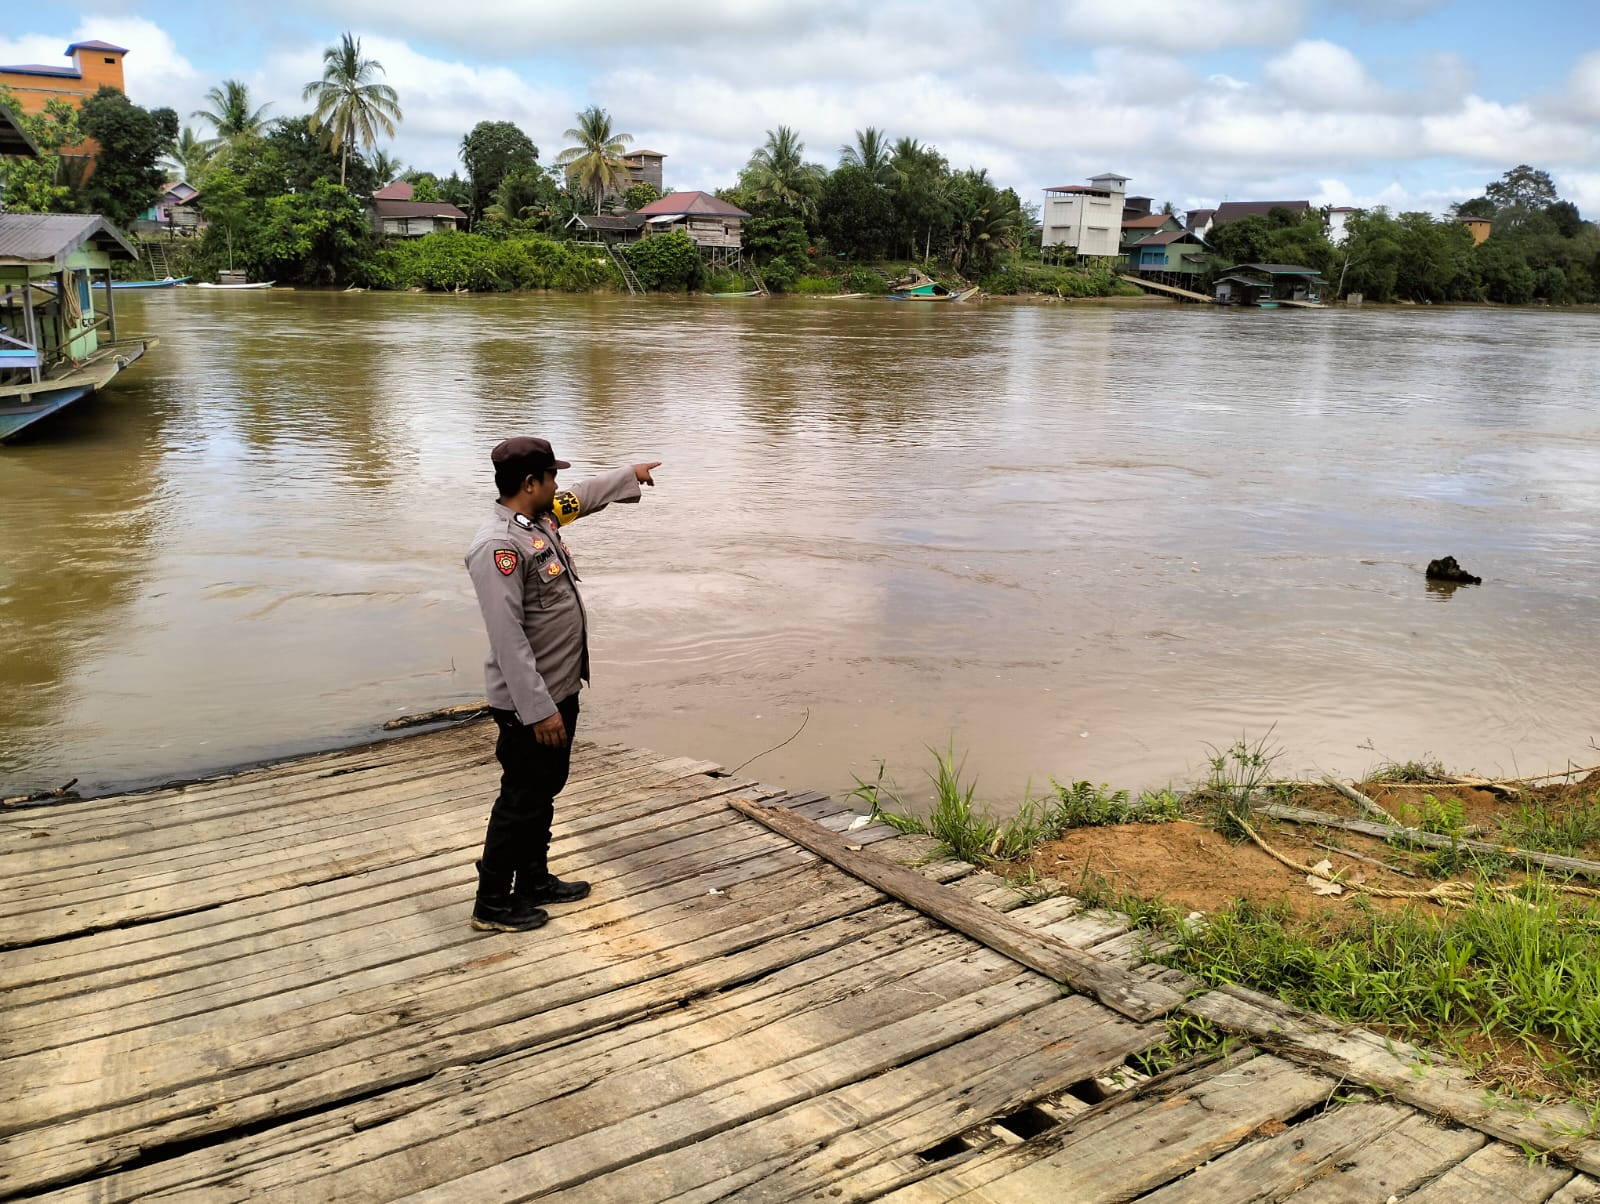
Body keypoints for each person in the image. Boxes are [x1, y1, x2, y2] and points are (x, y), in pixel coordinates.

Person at [464, 436, 661, 932]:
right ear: (530, 484)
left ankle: (532, 879)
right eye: (551, 477)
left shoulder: (540, 522)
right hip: (532, 703)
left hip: (559, 688)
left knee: (545, 788)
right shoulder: (498, 547)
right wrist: (539, 710)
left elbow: (583, 497)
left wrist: (628, 474)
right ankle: (491, 904)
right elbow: (508, 641)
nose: (558, 485)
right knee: (521, 798)